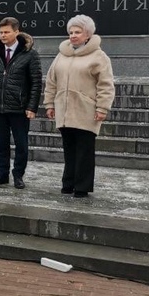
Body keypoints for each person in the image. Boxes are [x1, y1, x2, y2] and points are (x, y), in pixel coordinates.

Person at [43, 14, 115, 198]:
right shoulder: (62, 54)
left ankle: (82, 186)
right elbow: (51, 81)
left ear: (88, 34)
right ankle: (68, 183)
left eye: (78, 32)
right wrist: (49, 103)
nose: (73, 35)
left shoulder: (99, 56)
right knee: (69, 149)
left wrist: (102, 108)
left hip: (86, 110)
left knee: (84, 150)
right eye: (71, 32)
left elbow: (105, 84)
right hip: (64, 109)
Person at [0, 17, 42, 189]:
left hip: (19, 108)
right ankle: (2, 174)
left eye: (7, 32)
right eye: (1, 32)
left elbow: (36, 82)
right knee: (0, 143)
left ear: (16, 32)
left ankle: (18, 175)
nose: (3, 35)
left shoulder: (30, 54)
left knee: (21, 144)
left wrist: (32, 106)